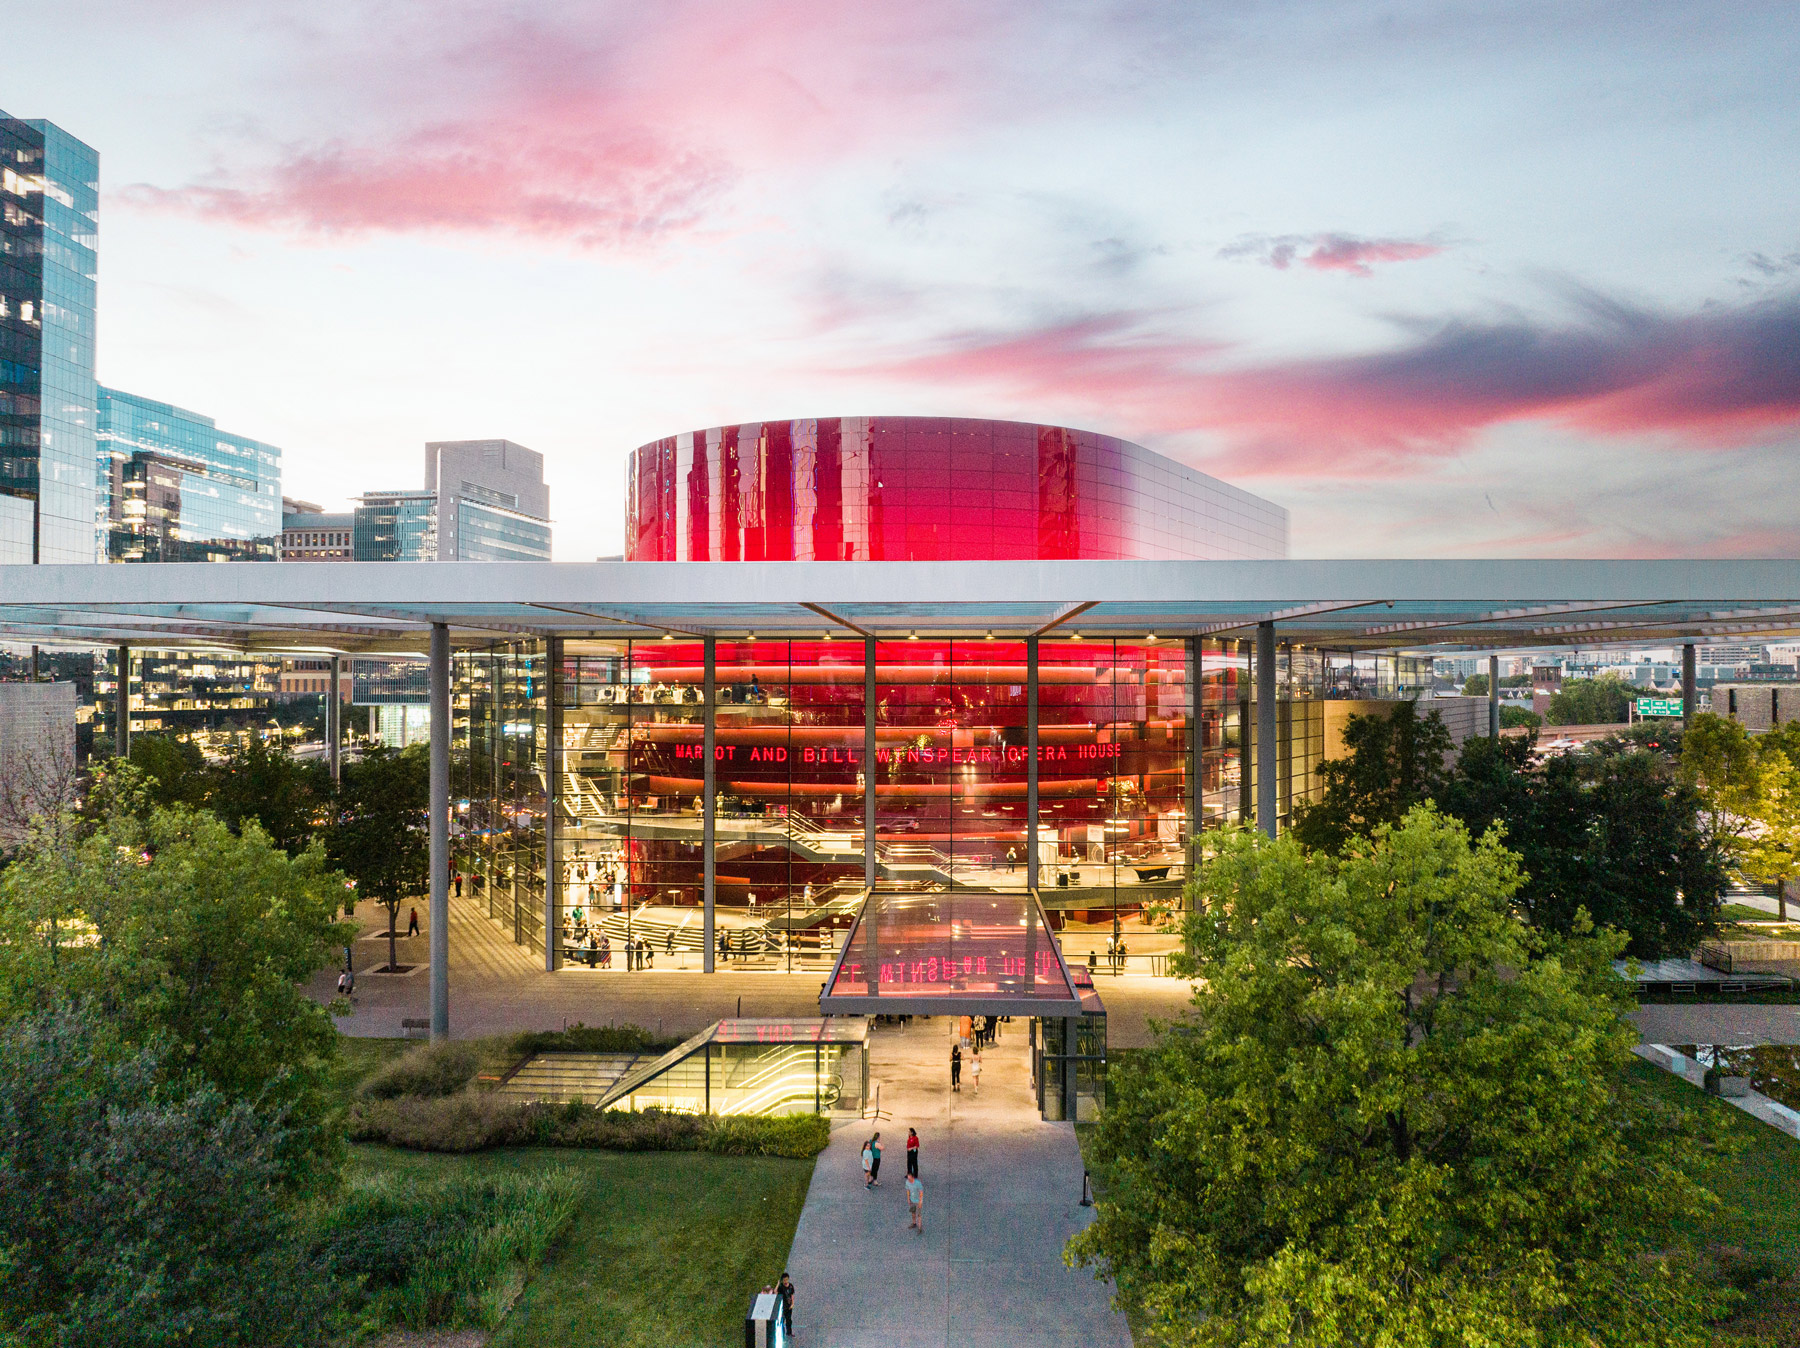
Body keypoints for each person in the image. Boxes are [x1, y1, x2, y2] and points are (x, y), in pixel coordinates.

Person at [777, 1273, 795, 1339]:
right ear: (782, 1280)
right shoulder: (781, 1287)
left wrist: (792, 1303)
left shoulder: (790, 1286)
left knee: (789, 1320)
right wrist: (778, 1284)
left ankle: (789, 1332)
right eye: (784, 1280)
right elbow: (775, 1292)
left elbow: (792, 1295)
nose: (786, 1281)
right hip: (783, 1307)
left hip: (789, 1306)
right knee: (782, 1320)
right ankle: (782, 1334)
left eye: (787, 1280)